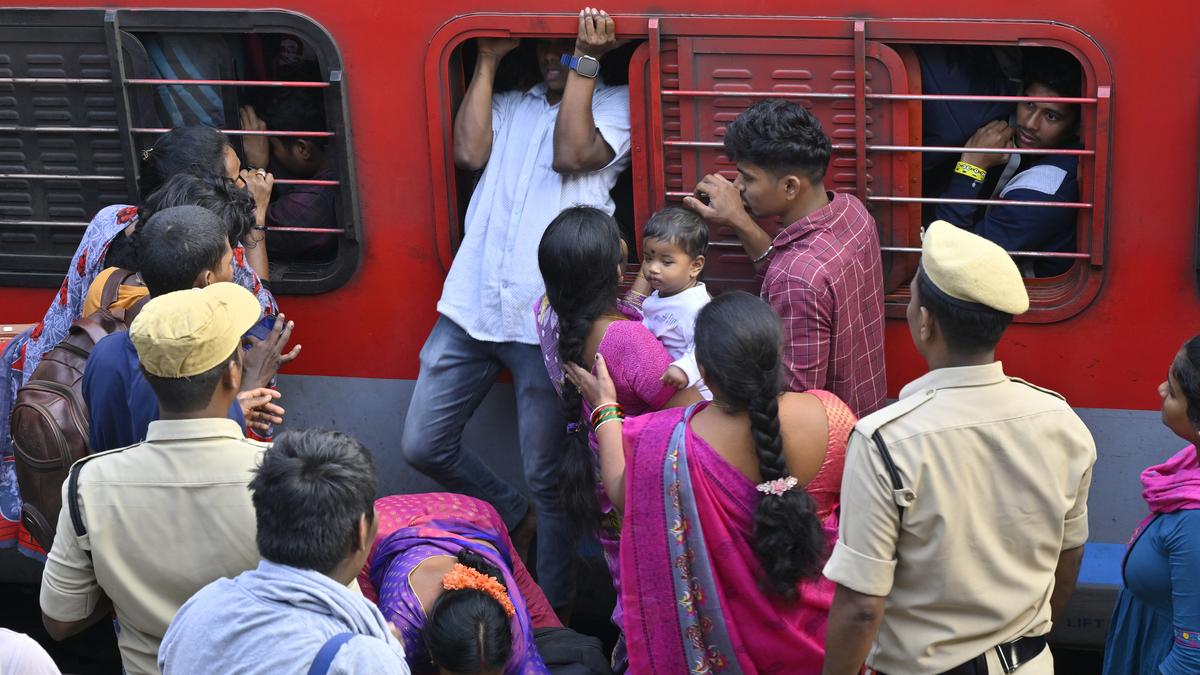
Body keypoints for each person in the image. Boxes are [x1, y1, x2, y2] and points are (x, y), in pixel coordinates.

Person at [401, 7, 632, 614]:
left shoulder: (617, 103)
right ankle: (509, 513)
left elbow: (572, 153)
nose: (557, 58)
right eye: (550, 48)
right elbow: (468, 152)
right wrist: (486, 57)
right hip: (472, 305)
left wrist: (585, 63)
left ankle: (550, 611)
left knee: (548, 484)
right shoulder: (516, 103)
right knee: (423, 442)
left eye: (570, 48)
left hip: (544, 321)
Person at [822, 221, 1096, 675]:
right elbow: (1069, 557)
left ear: (925, 322)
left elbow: (861, 606)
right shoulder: (1062, 420)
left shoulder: (884, 441)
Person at [564, 291, 856, 672]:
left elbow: (621, 494)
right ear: (775, 356)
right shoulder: (833, 416)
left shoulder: (667, 441)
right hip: (827, 642)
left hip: (723, 648)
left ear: (701, 367)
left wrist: (605, 409)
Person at [40, 282, 269, 675]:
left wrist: (128, 587)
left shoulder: (88, 484)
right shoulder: (283, 475)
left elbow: (60, 620)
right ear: (235, 374)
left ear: (145, 373)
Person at [536, 206, 698, 666]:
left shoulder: (546, 311)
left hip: (596, 467)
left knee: (624, 577)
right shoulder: (626, 341)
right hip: (634, 479)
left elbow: (613, 309)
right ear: (612, 270)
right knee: (651, 595)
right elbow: (687, 410)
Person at [683, 99, 886, 417]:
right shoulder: (852, 210)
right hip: (862, 416)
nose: (737, 187)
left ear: (790, 186)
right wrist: (739, 219)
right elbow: (791, 268)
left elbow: (793, 404)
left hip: (826, 448)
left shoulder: (796, 277)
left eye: (747, 178)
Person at [159, 429, 411, 674]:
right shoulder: (361, 660)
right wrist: (388, 657)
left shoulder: (198, 610)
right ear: (362, 531)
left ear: (263, 518)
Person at [81, 205, 295, 452]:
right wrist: (248, 383)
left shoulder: (106, 351)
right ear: (207, 280)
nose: (234, 270)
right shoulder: (196, 362)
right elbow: (186, 454)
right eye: (230, 263)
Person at [360, 493, 604, 674]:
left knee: (556, 642)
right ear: (433, 655)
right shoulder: (402, 620)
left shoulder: (515, 630)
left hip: (478, 521)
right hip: (384, 527)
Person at [936, 48, 1083, 277]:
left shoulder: (1043, 193)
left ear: (1077, 126)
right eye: (1029, 105)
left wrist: (972, 167)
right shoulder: (1044, 153)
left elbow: (948, 258)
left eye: (1051, 116)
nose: (1031, 123)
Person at [1101, 337, 1200, 674]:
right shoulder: (1189, 469)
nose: (1160, 390)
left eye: (1173, 392)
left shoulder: (1195, 522)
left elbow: (1191, 658)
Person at [240, 88, 340, 261]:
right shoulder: (332, 170)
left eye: (273, 146)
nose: (273, 154)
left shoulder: (304, 208)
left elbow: (247, 231)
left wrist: (256, 168)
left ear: (303, 149)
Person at [625, 207, 711, 397]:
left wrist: (683, 369)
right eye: (648, 258)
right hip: (661, 382)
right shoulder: (661, 294)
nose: (653, 268)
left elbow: (706, 348)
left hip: (693, 394)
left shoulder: (696, 307)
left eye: (666, 262)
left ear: (695, 266)